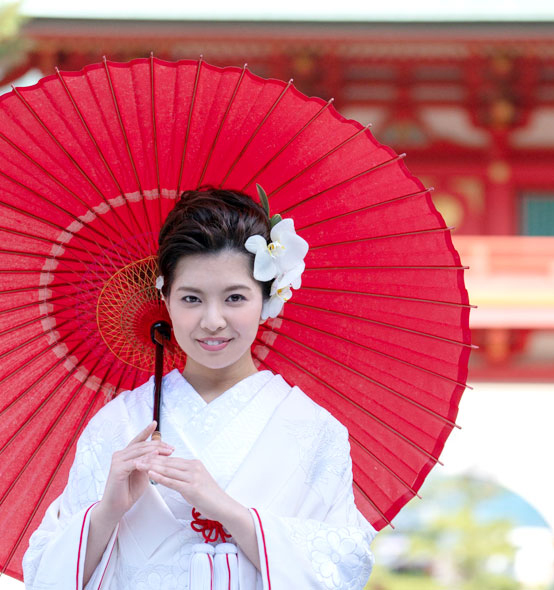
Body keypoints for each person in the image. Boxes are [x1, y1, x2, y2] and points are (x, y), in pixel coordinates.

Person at [22, 188, 376, 590]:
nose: (212, 321)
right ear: (165, 299)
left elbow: (346, 563)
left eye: (235, 298)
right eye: (191, 298)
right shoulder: (119, 424)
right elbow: (44, 574)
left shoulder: (314, 430)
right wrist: (107, 511)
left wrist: (231, 512)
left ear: (267, 298)